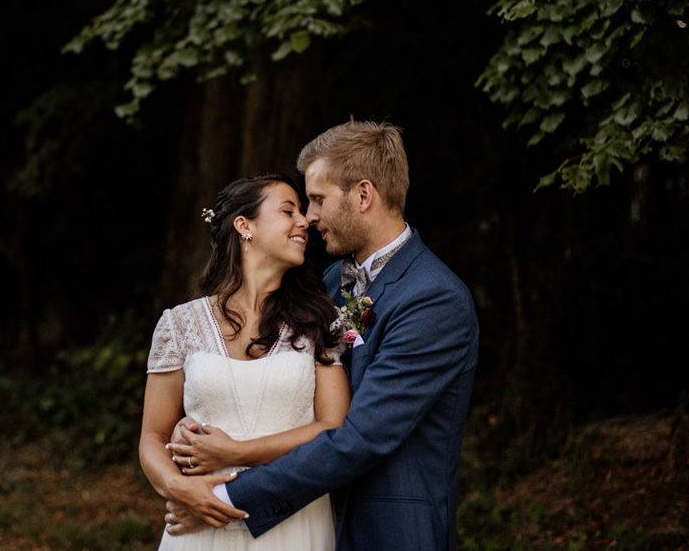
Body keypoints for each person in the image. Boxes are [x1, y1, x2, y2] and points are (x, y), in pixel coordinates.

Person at [167, 120, 480, 551]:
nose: (310, 218)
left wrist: (224, 495)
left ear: (363, 195)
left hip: (390, 531)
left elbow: (360, 437)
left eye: (317, 199)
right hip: (311, 521)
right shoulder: (331, 285)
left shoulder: (434, 299)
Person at [140, 173, 352, 550]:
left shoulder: (320, 320)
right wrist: (180, 487)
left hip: (294, 521)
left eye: (302, 212)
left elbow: (332, 426)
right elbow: (153, 436)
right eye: (288, 211)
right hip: (202, 521)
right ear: (244, 226)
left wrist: (233, 452)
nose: (304, 221)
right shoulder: (180, 324)